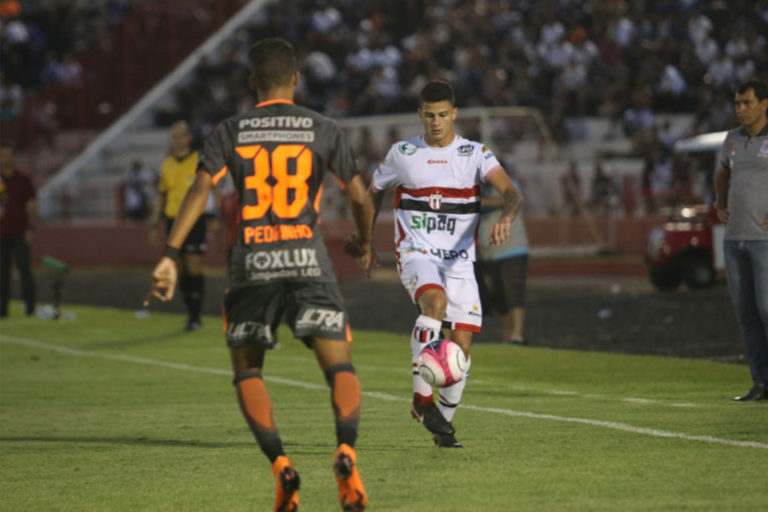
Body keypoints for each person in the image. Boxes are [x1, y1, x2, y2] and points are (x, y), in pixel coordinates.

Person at [145, 38, 373, 511]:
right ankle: (346, 451)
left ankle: (281, 467)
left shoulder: (231, 130)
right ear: (295, 79)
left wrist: (170, 252)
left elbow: (199, 192)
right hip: (308, 259)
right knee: (340, 367)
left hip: (251, 262)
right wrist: (364, 239)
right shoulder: (322, 127)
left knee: (248, 370)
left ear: (252, 83)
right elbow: (358, 195)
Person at [369, 81, 522, 447]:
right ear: (420, 114)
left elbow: (510, 192)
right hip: (416, 254)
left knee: (460, 350)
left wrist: (506, 218)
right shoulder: (403, 153)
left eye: (443, 115)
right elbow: (372, 190)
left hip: (460, 264)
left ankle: (443, 429)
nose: (436, 122)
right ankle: (422, 400)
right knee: (433, 303)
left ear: (454, 114)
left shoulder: (475, 154)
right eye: (429, 115)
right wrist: (365, 238)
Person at [714, 79, 768, 402]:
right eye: (737, 104)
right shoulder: (732, 139)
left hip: (764, 240)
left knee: (766, 309)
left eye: (747, 103)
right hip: (735, 240)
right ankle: (760, 383)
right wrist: (720, 203)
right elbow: (722, 172)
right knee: (746, 313)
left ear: (765, 104)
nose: (741, 109)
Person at [148, 121, 216, 331]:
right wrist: (154, 223)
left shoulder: (198, 160)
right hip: (172, 220)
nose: (177, 140)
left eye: (180, 135)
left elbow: (212, 190)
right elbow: (161, 195)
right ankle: (190, 312)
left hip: (195, 220)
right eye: (174, 136)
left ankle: (196, 315)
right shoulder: (166, 164)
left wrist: (216, 217)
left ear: (189, 138)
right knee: (180, 268)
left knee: (194, 266)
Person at [476, 168, 529, 345]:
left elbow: (509, 199)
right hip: (490, 253)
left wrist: (481, 201)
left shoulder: (509, 185)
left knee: (513, 291)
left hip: (512, 248)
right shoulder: (480, 191)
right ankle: (507, 337)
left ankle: (517, 334)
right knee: (499, 297)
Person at [0, 141, 36, 318]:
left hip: (20, 231)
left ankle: (30, 308)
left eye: (8, 155)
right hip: (1, 234)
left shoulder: (24, 179)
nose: (6, 158)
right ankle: (2, 311)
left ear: (13, 157)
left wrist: (31, 228)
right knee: (2, 274)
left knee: (25, 271)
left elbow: (31, 203)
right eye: (3, 155)